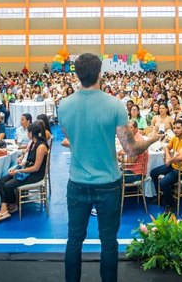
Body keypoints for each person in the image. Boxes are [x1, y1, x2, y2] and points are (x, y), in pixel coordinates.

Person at [58, 53, 159, 282]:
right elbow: (131, 149)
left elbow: (72, 140)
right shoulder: (115, 105)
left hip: (77, 182)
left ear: (76, 74)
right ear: (100, 74)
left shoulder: (64, 106)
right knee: (109, 241)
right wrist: (152, 139)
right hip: (108, 184)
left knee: (74, 240)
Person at [0, 123, 49, 222]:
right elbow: (28, 161)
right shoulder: (32, 143)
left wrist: (18, 170)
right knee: (2, 181)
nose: (27, 134)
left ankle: (13, 204)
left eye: (28, 132)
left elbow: (35, 168)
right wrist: (18, 166)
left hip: (35, 175)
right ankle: (4, 208)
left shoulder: (41, 147)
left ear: (31, 133)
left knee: (7, 185)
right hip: (26, 171)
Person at [150, 119, 182, 213]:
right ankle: (162, 196)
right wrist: (168, 157)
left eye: (178, 128)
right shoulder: (175, 138)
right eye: (174, 128)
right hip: (174, 166)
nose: (175, 130)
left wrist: (169, 160)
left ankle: (170, 205)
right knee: (153, 173)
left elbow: (181, 156)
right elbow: (166, 147)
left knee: (163, 182)